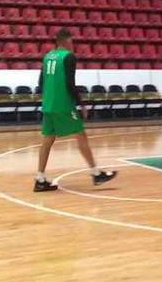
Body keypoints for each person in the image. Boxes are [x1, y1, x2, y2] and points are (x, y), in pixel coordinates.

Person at [33, 28, 116, 192]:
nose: (72, 43)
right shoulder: (68, 57)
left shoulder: (47, 56)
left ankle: (40, 179)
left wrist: (49, 96)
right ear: (64, 41)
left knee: (47, 140)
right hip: (63, 103)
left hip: (48, 104)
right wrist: (81, 104)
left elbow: (40, 83)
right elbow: (70, 83)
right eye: (71, 40)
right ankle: (96, 174)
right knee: (81, 134)